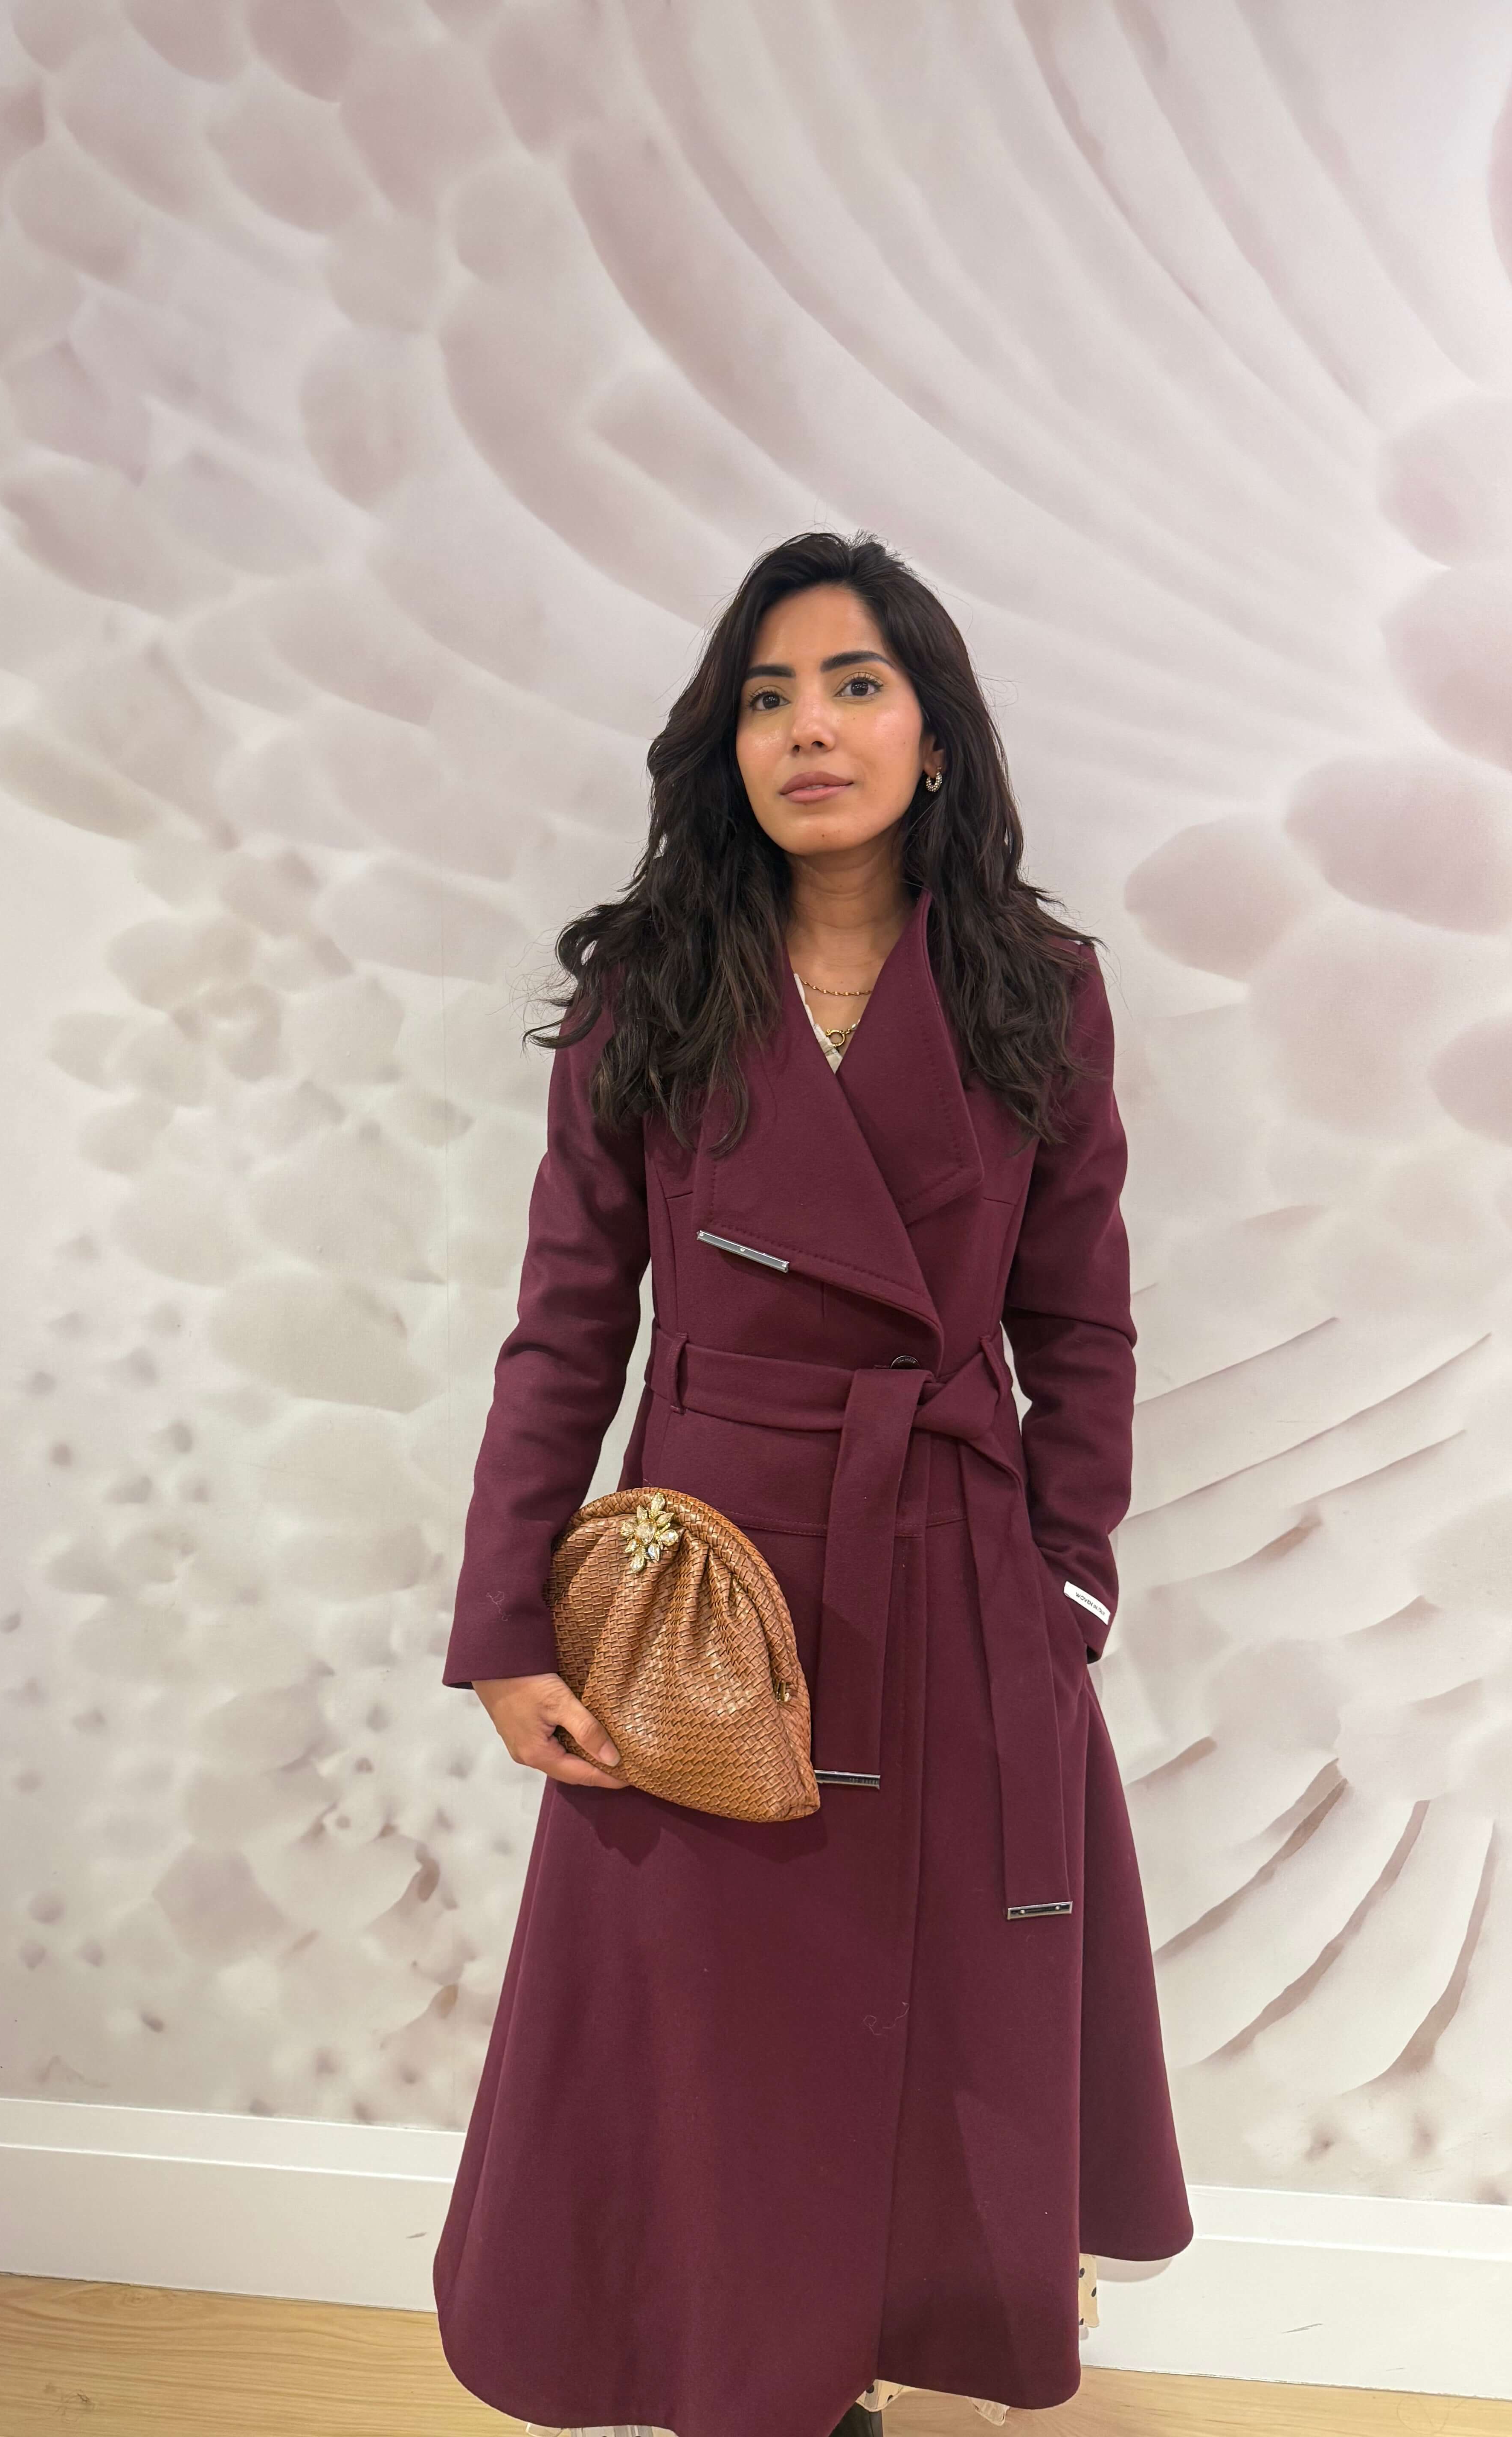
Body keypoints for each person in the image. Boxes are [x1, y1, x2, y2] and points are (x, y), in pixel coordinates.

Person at [434, 531, 1193, 2437]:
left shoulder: (1040, 991)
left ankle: (854, 2361)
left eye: (854, 684)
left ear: (935, 733)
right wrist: (510, 1625)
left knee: (935, 2020)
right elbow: (565, 1327)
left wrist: (1070, 1582)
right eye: (767, 696)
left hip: (950, 1571)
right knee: (714, 2037)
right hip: (701, 1588)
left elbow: (1081, 1325)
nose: (809, 730)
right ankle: (751, 2384)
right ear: (726, 746)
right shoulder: (649, 993)